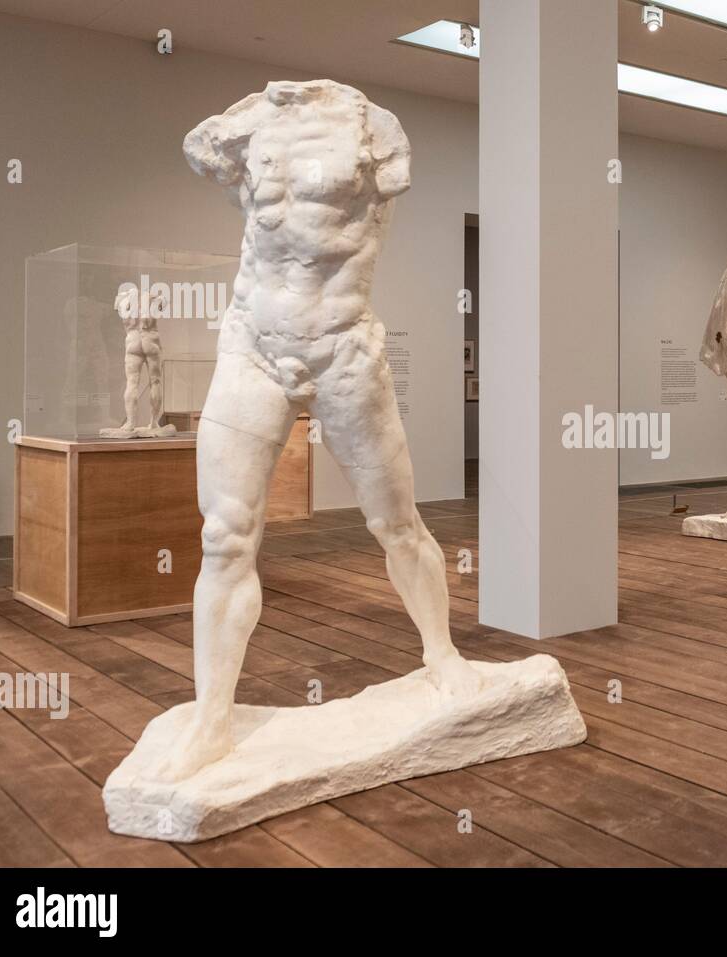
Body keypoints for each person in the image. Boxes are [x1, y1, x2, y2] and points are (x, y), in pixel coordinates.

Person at [147, 80, 480, 782]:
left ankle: (441, 652)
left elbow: (394, 178)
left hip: (343, 345)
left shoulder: (372, 125)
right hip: (253, 344)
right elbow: (198, 147)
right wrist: (248, 113)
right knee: (223, 534)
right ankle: (212, 715)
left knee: (396, 522)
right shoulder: (247, 122)